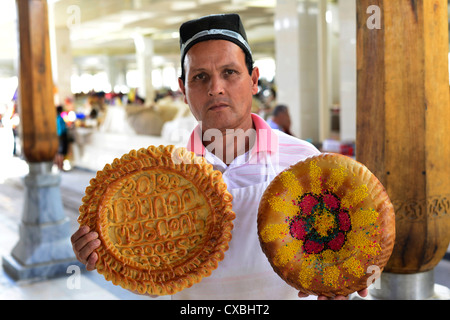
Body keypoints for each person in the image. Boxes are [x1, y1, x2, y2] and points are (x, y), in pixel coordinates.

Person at [71, 14, 368, 300]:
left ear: (253, 79)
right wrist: (107, 257)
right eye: (200, 77)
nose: (216, 88)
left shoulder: (305, 163)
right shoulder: (162, 174)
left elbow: (339, 247)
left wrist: (346, 277)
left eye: (229, 72)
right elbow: (154, 280)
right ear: (183, 91)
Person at [55, 105, 68, 170]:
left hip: (57, 136)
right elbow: (62, 128)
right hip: (61, 136)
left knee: (58, 152)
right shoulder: (60, 118)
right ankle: (61, 166)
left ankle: (58, 165)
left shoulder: (56, 117)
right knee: (61, 152)